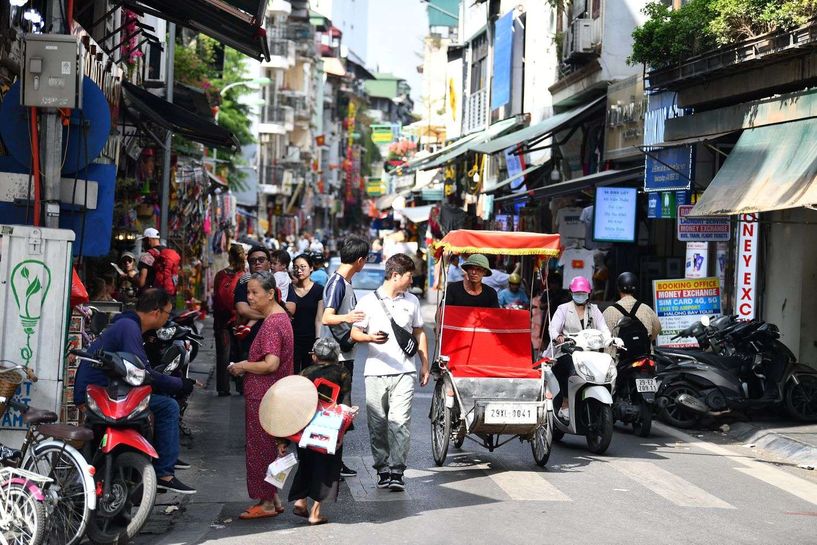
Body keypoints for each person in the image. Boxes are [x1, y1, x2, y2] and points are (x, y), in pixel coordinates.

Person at [73, 289, 196, 494]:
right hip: (101, 394)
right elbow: (141, 373)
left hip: (108, 391)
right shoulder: (129, 327)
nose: (167, 318)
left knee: (162, 399)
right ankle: (165, 472)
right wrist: (179, 384)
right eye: (167, 313)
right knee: (168, 406)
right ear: (156, 312)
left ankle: (164, 456)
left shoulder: (129, 326)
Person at [351, 253, 429, 491]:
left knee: (400, 421)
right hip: (375, 372)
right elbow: (354, 334)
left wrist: (424, 363)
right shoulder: (368, 301)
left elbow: (419, 333)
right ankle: (382, 468)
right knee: (377, 424)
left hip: (405, 371)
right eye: (409, 276)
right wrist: (370, 337)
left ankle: (397, 471)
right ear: (395, 276)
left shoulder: (412, 302)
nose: (411, 281)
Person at [228, 272, 294, 519]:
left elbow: (270, 364)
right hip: (270, 394)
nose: (250, 297)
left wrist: (243, 365)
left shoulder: (273, 323)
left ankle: (265, 503)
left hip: (264, 395)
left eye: (255, 292)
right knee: (269, 447)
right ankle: (273, 498)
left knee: (260, 449)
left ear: (270, 294)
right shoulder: (279, 318)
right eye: (248, 292)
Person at [289, 338, 354, 525]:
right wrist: (343, 432)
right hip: (330, 428)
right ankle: (315, 513)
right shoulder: (342, 372)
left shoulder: (305, 372)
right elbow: (346, 403)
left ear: (315, 356)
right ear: (336, 357)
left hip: (306, 425)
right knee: (327, 468)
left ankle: (301, 501)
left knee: (306, 462)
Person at [321, 236, 370, 478]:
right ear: (360, 261)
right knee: (336, 411)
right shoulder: (337, 283)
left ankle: (335, 462)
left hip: (343, 355)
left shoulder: (344, 283)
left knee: (342, 411)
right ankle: (329, 464)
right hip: (335, 359)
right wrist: (348, 319)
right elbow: (327, 317)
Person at [548, 276, 610, 418]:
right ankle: (565, 403)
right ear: (571, 293)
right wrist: (558, 337)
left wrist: (611, 339)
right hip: (567, 351)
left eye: (583, 293)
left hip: (590, 353)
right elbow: (553, 328)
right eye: (577, 293)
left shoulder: (594, 310)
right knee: (570, 369)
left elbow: (604, 329)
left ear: (589, 294)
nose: (580, 296)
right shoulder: (563, 309)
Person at [212, 244, 246, 397]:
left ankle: (223, 388)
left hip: (222, 321)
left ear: (229, 256)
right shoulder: (245, 276)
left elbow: (216, 299)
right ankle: (241, 386)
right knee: (240, 353)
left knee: (223, 355)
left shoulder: (220, 275)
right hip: (241, 318)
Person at [603, 272, 661, 354]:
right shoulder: (646, 309)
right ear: (636, 288)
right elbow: (657, 328)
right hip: (645, 357)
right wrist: (644, 339)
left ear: (618, 289)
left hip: (619, 360)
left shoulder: (609, 312)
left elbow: (605, 337)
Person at [234, 246, 273, 364]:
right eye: (253, 261)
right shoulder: (243, 285)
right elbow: (243, 310)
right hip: (249, 342)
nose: (257, 263)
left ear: (269, 263)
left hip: (273, 342)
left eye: (261, 259)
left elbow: (290, 308)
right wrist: (271, 314)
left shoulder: (278, 283)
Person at [290, 254, 325, 374]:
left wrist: (317, 340)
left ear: (311, 268)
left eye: (302, 267)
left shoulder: (319, 290)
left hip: (310, 340)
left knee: (309, 375)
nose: (298, 270)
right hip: (292, 339)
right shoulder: (289, 289)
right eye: (295, 267)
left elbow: (319, 319)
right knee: (292, 375)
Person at [136, 227, 181, 296]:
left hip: (150, 296)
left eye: (144, 241)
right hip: (166, 295)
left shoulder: (147, 256)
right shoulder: (168, 253)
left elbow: (141, 283)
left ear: (148, 240)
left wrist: (130, 278)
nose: (143, 244)